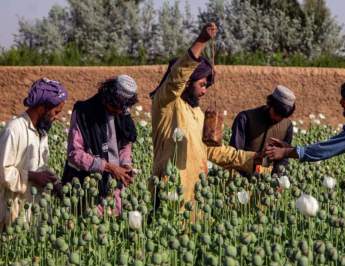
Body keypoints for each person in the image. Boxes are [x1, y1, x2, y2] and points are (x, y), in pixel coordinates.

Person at [150, 23, 266, 203]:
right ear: (188, 82)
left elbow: (211, 149)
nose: (205, 91)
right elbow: (176, 78)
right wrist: (201, 41)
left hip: (195, 192)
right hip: (170, 191)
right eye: (202, 85)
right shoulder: (166, 103)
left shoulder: (197, 113)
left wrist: (252, 158)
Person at [62, 75, 138, 213]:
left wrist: (125, 165)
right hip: (87, 191)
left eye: (122, 110)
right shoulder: (83, 113)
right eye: (116, 108)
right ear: (106, 98)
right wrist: (109, 167)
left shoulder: (122, 113)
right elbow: (74, 153)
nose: (118, 112)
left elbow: (125, 144)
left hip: (114, 190)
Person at [0, 78, 67, 229]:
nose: (57, 117)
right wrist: (32, 176)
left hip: (35, 211)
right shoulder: (14, 130)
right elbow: (3, 171)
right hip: (13, 213)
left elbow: (39, 167)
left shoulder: (42, 132)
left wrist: (52, 180)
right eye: (56, 112)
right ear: (42, 108)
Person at [230, 85, 295, 176]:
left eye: (283, 116)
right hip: (241, 177)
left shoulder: (287, 126)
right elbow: (233, 153)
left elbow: (283, 159)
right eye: (276, 113)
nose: (278, 118)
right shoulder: (245, 119)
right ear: (270, 104)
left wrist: (279, 177)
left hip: (268, 182)